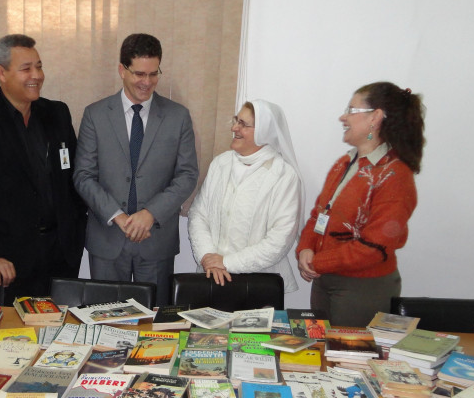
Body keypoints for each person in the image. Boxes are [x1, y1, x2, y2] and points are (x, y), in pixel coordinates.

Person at [0, 34, 87, 304]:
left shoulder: (57, 113)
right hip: (13, 258)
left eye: (39, 66)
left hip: (62, 251)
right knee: (17, 336)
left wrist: (76, 231)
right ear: (1, 73)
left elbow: (73, 175)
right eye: (26, 68)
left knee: (61, 331)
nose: (37, 75)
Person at [74, 33, 198, 305]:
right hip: (107, 239)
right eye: (139, 73)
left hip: (156, 240)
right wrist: (117, 216)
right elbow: (83, 176)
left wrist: (150, 214)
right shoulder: (95, 115)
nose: (147, 82)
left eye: (154, 74)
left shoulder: (178, 117)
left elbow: (187, 175)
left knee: (155, 329)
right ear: (122, 70)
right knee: (105, 322)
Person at [296, 82, 425, 327]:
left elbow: (374, 247)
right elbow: (318, 215)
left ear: (375, 118)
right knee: (322, 354)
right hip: (325, 280)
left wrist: (317, 262)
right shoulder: (345, 163)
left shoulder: (394, 175)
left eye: (351, 110)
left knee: (349, 361)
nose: (343, 117)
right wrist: (305, 248)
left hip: (362, 289)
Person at [187, 99, 303, 291]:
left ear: (264, 132)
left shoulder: (283, 175)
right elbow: (199, 215)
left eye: (243, 124)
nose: (234, 128)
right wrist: (207, 257)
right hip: (210, 278)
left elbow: (280, 239)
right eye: (236, 120)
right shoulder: (220, 164)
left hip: (259, 285)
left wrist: (227, 262)